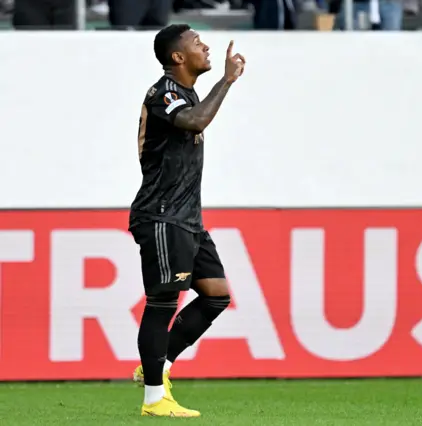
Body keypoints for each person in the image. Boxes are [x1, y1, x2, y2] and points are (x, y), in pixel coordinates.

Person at [128, 24, 245, 417]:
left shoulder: (185, 94)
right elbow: (194, 121)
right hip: (162, 216)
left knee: (215, 295)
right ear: (177, 57)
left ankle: (156, 367)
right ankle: (154, 399)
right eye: (197, 42)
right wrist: (227, 82)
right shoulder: (165, 93)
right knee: (162, 302)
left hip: (187, 218)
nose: (206, 45)